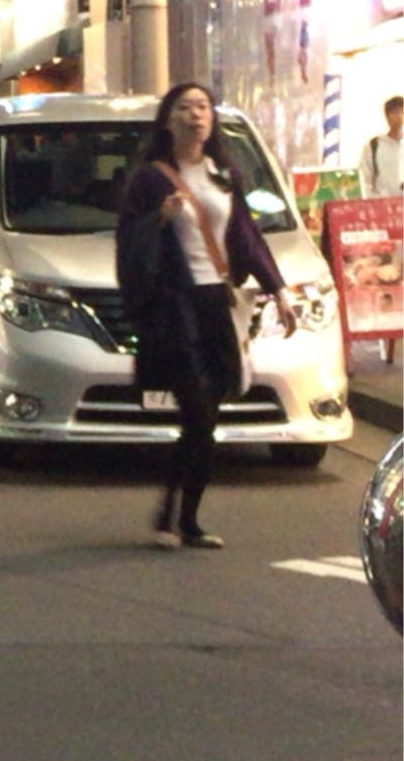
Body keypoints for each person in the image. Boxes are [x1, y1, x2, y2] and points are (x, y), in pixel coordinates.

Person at [116, 82, 296, 551]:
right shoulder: (150, 179)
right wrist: (158, 219)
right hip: (176, 306)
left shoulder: (223, 174)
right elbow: (128, 243)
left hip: (217, 302)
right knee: (197, 410)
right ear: (168, 119)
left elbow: (246, 236)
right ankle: (172, 515)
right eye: (185, 107)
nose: (196, 115)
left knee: (206, 419)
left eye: (202, 107)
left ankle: (184, 518)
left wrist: (278, 290)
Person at [358, 95, 402, 198]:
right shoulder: (374, 146)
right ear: (387, 117)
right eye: (395, 113)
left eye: (402, 112)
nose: (399, 117)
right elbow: (364, 180)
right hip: (382, 203)